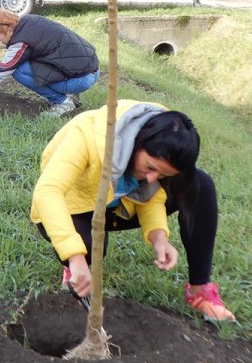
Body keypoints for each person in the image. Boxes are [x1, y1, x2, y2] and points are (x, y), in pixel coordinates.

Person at [31, 100, 235, 322]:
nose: (152, 178)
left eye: (162, 175)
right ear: (138, 143)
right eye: (150, 167)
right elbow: (48, 192)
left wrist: (158, 236)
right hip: (76, 206)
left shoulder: (164, 141)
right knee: (88, 247)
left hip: (119, 207)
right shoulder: (86, 133)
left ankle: (200, 291)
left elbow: (151, 194)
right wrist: (75, 256)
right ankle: (75, 269)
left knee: (200, 185)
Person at [0, 11, 100, 116]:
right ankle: (71, 95)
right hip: (92, 69)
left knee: (18, 70)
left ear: (10, 30)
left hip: (80, 79)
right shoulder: (31, 20)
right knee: (29, 61)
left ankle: (62, 103)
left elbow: (0, 72)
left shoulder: (21, 42)